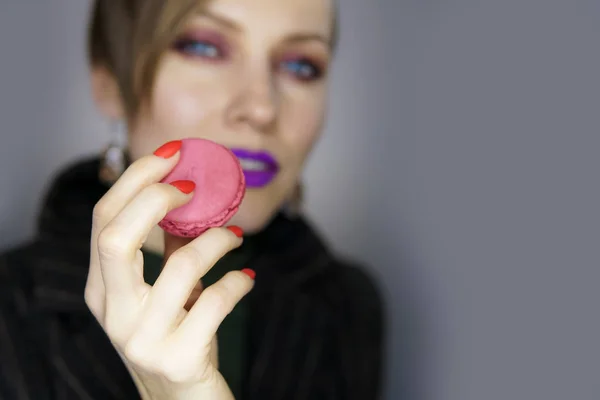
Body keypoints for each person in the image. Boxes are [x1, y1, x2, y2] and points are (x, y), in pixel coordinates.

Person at [0, 0, 385, 399]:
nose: (262, 108)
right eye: (204, 47)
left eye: (302, 65)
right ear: (110, 82)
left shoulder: (348, 306)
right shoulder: (9, 312)